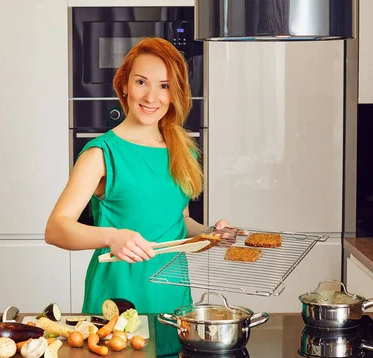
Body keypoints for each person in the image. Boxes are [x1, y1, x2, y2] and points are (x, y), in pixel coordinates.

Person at [45, 37, 241, 315]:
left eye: (164, 86)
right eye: (141, 82)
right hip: (118, 300)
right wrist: (112, 237)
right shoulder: (102, 154)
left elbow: (179, 222)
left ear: (175, 93)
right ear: (124, 85)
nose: (152, 97)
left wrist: (211, 234)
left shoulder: (182, 150)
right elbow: (55, 229)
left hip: (173, 297)